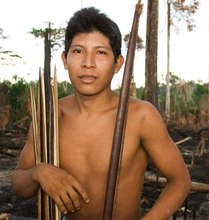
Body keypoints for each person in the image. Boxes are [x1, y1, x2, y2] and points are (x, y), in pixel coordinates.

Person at [12, 7, 191, 220]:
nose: (88, 63)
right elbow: (19, 185)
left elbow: (180, 180)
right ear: (64, 59)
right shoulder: (50, 116)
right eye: (78, 51)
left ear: (118, 64)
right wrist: (39, 172)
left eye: (101, 52)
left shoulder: (140, 116)